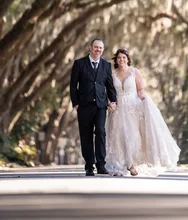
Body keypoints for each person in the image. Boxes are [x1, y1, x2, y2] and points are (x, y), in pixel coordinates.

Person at [106, 48, 180, 176]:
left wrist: (144, 100)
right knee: (118, 136)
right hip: (118, 109)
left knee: (133, 135)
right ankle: (119, 165)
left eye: (124, 57)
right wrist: (110, 103)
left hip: (133, 107)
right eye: (119, 58)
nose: (121, 60)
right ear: (116, 60)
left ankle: (132, 164)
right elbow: (109, 92)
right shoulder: (112, 74)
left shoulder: (134, 72)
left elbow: (140, 89)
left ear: (128, 59)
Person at [70, 39, 117, 176]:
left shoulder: (106, 65)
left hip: (101, 106)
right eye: (96, 47)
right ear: (90, 48)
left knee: (101, 133)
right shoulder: (79, 64)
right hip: (84, 106)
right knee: (86, 136)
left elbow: (110, 85)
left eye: (101, 48)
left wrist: (113, 101)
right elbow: (73, 86)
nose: (98, 50)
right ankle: (89, 165)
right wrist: (76, 103)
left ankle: (101, 165)